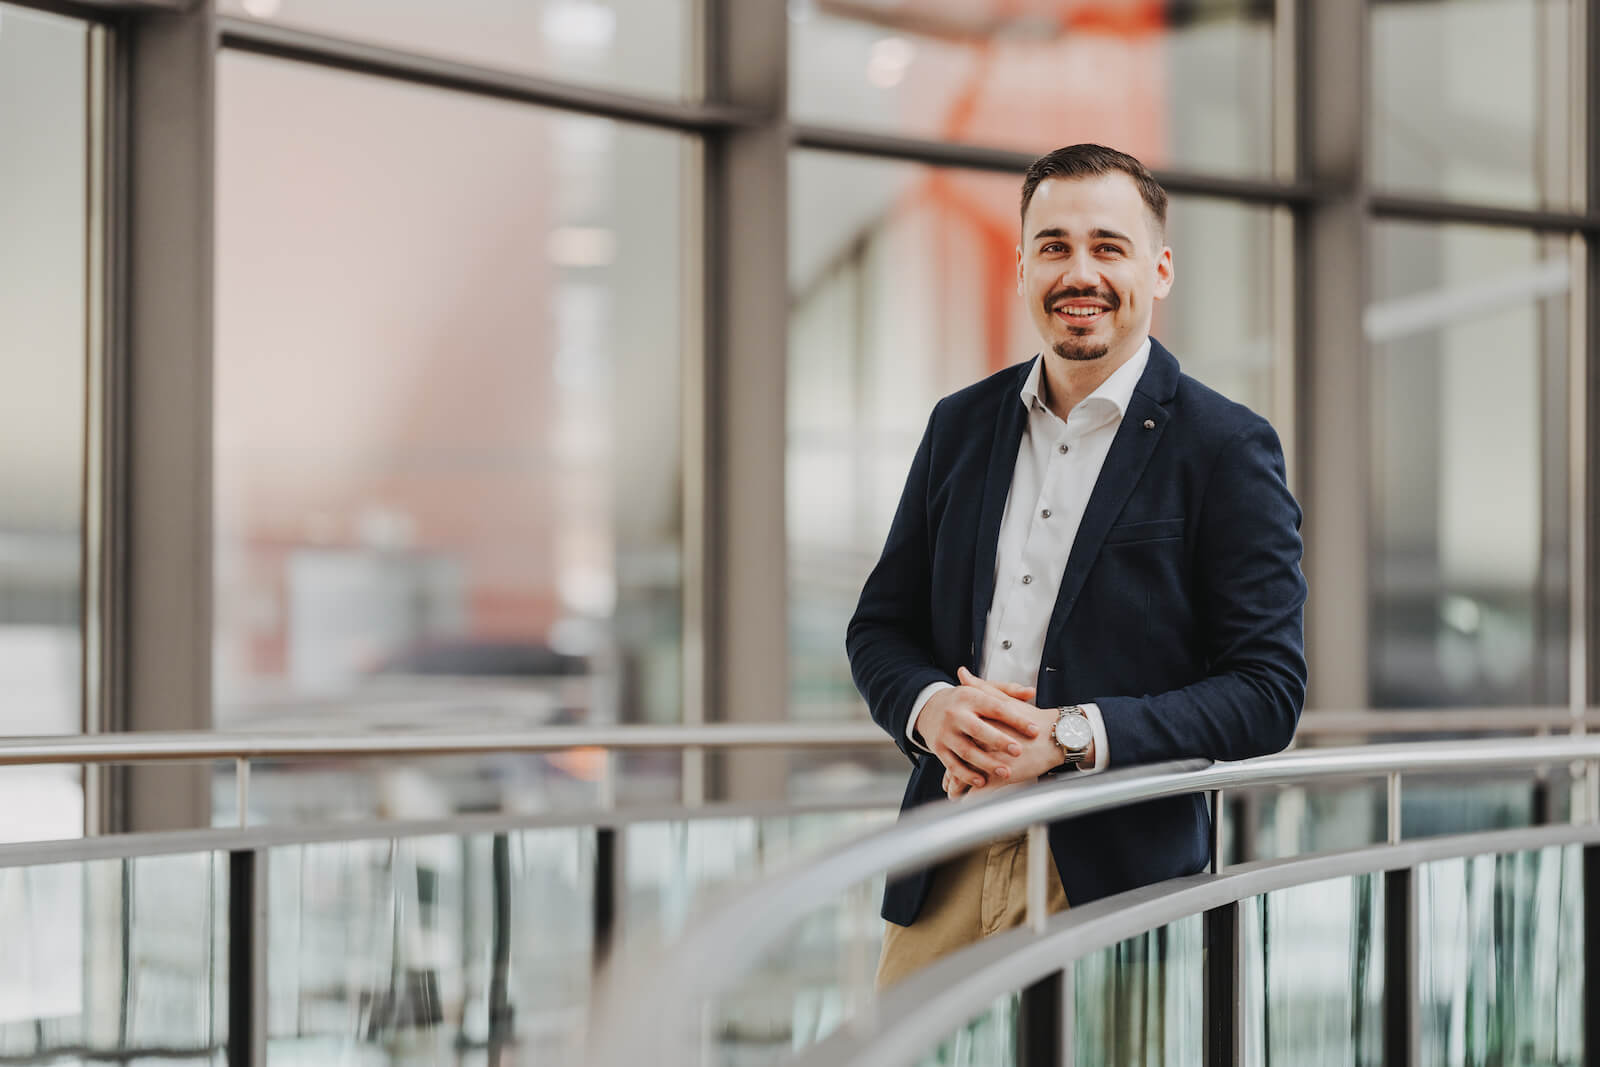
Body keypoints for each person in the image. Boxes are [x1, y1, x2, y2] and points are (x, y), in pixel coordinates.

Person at [846, 144, 1307, 988]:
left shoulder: (1226, 447)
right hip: (943, 859)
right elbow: (880, 626)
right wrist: (931, 707)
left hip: (1115, 879)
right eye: (1054, 246)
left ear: (1159, 269)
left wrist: (1067, 738)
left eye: (1108, 245)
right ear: (1022, 267)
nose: (1079, 271)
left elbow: (1268, 690)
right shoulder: (959, 425)